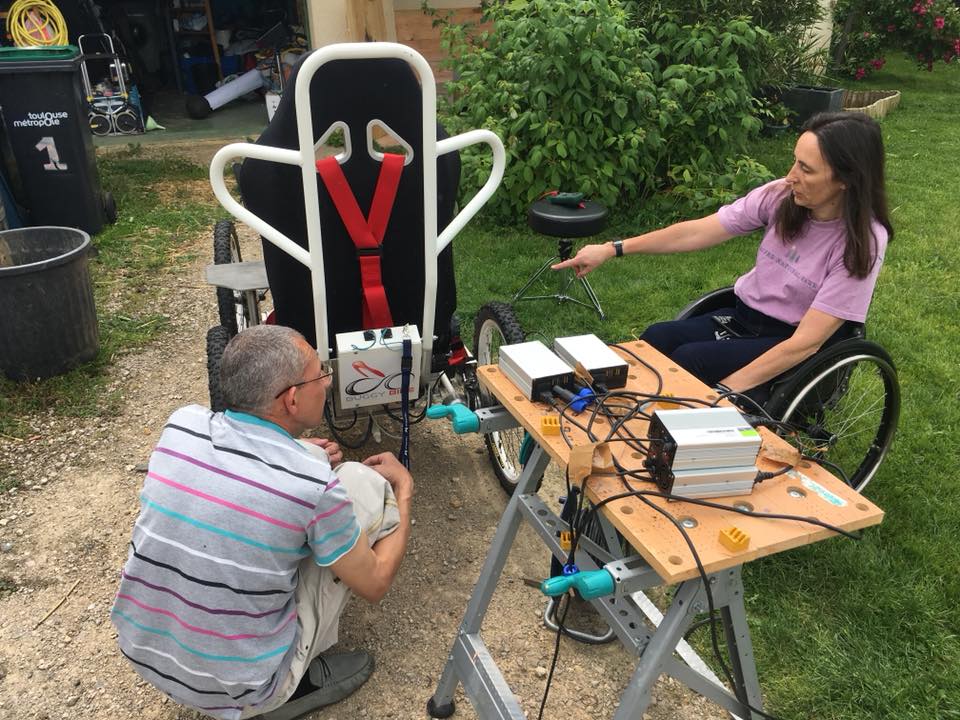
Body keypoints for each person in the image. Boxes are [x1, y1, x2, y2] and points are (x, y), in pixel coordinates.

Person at [111, 324, 413, 720]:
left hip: (144, 654)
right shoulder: (312, 484)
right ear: (292, 399)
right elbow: (375, 583)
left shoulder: (182, 425)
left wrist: (292, 449)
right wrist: (404, 490)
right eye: (320, 373)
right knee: (362, 482)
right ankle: (290, 689)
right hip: (243, 691)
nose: (327, 381)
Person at [553, 112, 892, 398]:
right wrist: (613, 249)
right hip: (743, 317)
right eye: (794, 161)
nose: (790, 176)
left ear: (846, 179)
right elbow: (698, 231)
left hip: (786, 339)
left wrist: (723, 393)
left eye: (806, 169)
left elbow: (805, 343)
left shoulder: (862, 242)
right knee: (657, 338)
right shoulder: (780, 196)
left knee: (690, 362)